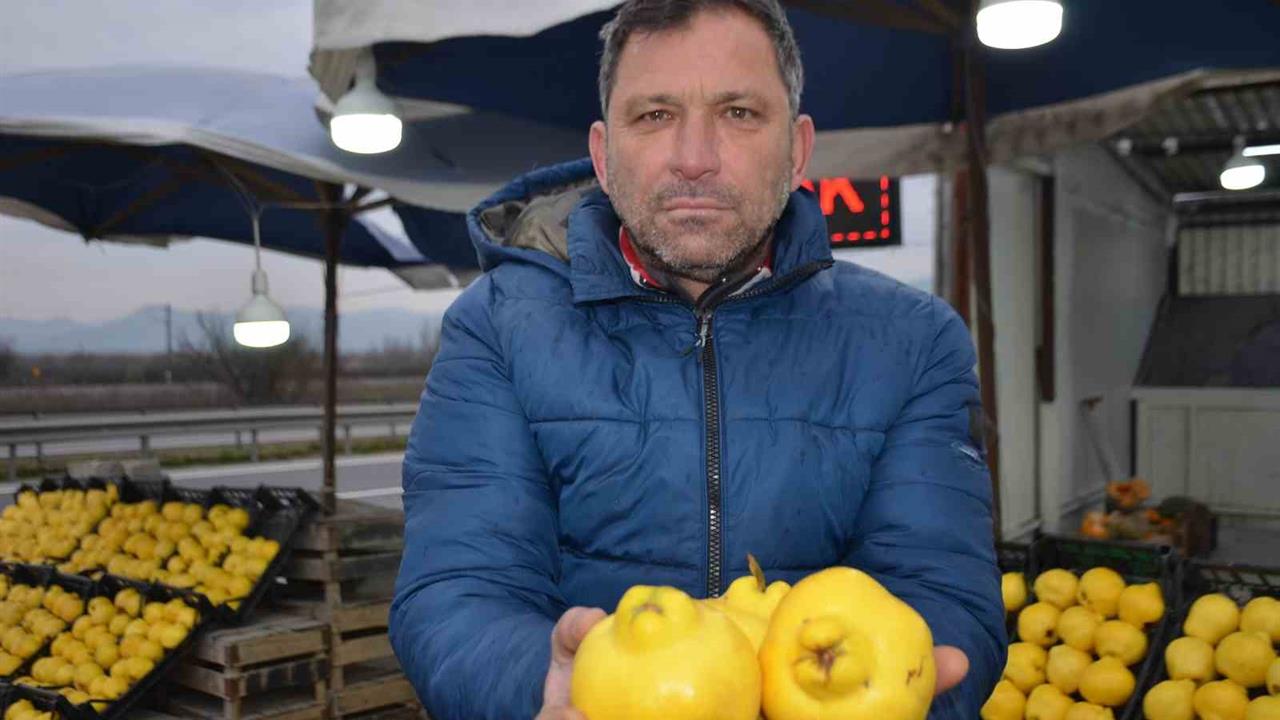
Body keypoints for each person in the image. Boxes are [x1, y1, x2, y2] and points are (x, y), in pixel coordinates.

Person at [388, 1, 1006, 718]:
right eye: (655, 115)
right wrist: (542, 685)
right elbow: (458, 589)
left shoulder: (914, 341)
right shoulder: (496, 327)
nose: (694, 158)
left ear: (797, 149)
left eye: (738, 113)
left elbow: (943, 595)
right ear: (603, 154)